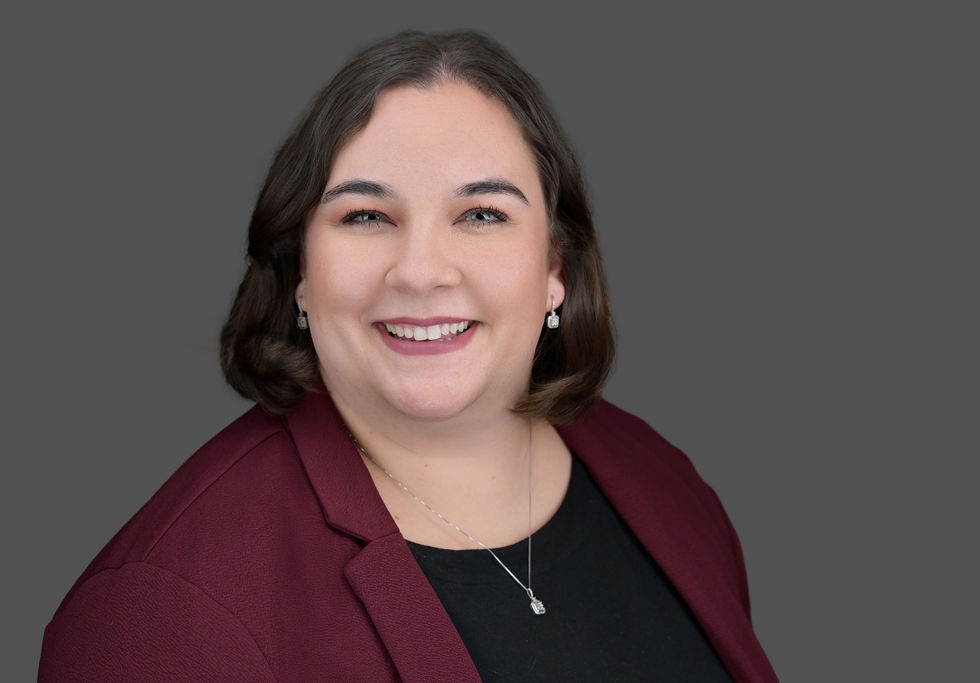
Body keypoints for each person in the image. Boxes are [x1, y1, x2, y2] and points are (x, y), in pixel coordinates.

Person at [39, 30, 778, 682]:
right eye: (366, 215)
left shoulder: (659, 478)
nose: (421, 272)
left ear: (555, 266)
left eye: (482, 213)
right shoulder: (163, 610)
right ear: (300, 271)